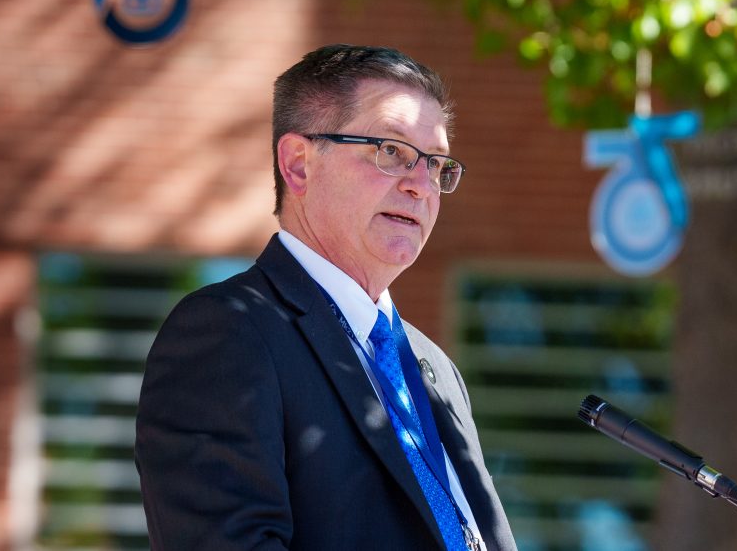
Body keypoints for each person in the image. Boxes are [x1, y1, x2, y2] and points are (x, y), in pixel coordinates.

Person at [135, 44, 517, 551]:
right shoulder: (229, 333)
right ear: (298, 165)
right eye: (392, 151)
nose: (421, 186)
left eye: (436, 165)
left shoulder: (434, 367)